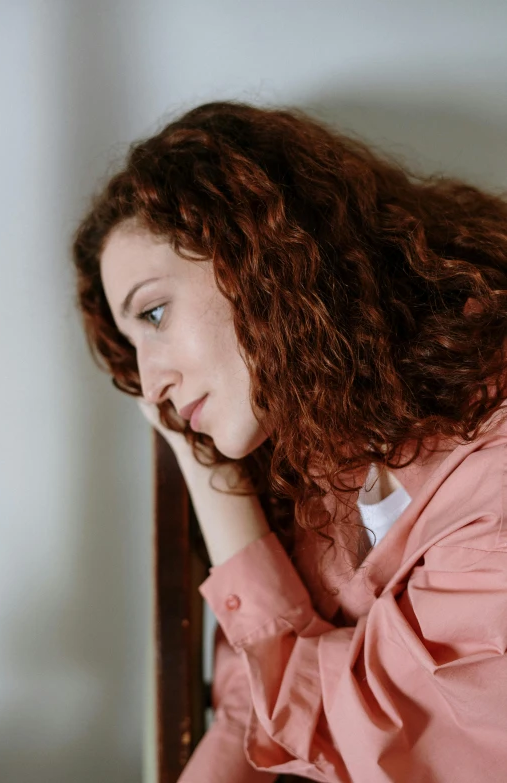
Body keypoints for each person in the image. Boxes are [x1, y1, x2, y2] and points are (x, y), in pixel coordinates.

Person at [72, 101, 507, 782]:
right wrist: (204, 458)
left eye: (155, 312)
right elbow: (249, 712)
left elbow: (369, 741)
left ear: (254, 254)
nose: (151, 385)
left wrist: (207, 477)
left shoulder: (493, 470)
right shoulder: (317, 440)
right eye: (133, 346)